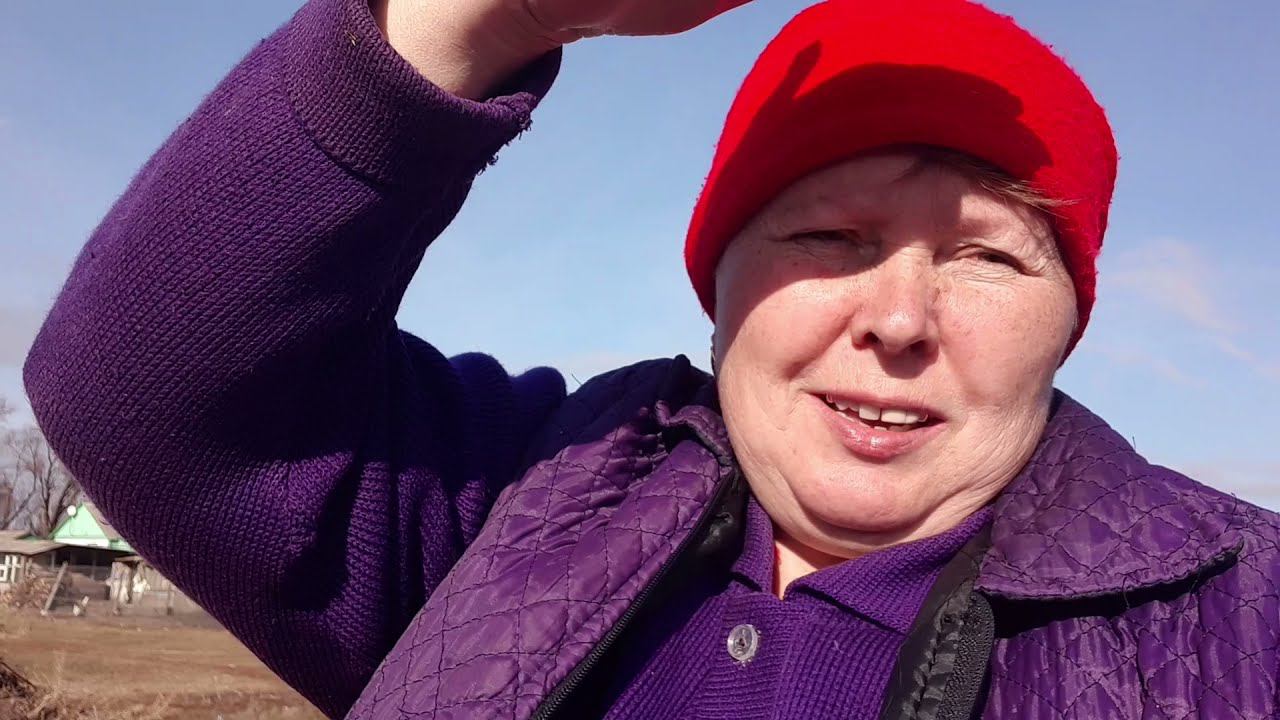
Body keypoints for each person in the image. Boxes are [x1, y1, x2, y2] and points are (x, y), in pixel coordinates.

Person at [23, 0, 1280, 717]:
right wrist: (483, 15)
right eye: (827, 236)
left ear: (1068, 320)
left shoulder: (1242, 617)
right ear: (717, 294)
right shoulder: (523, 501)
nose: (899, 319)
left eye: (986, 257)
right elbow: (141, 386)